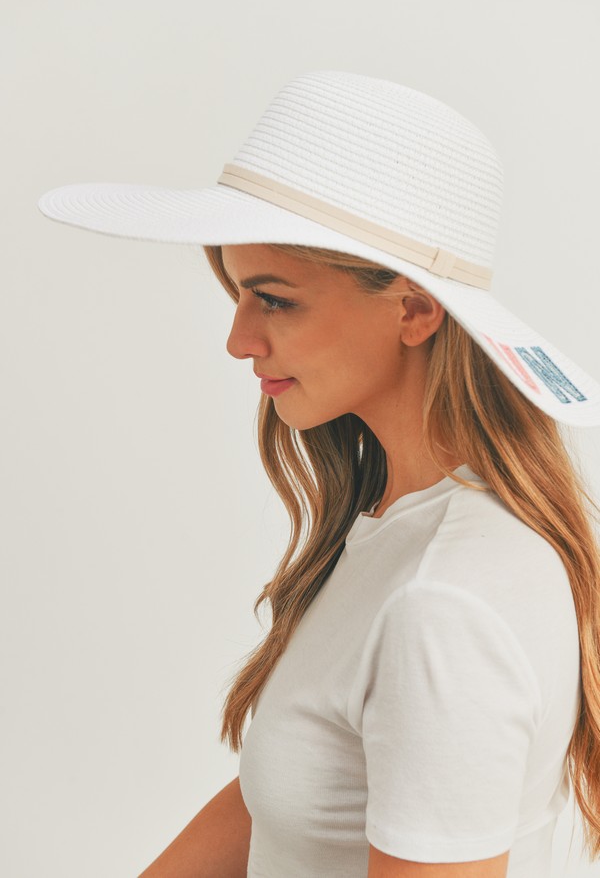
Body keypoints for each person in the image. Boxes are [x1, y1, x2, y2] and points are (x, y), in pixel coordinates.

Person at [38, 71, 600, 878]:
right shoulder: (401, 531)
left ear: (414, 310)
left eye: (274, 299)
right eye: (240, 294)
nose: (238, 340)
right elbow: (292, 799)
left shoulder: (444, 601)